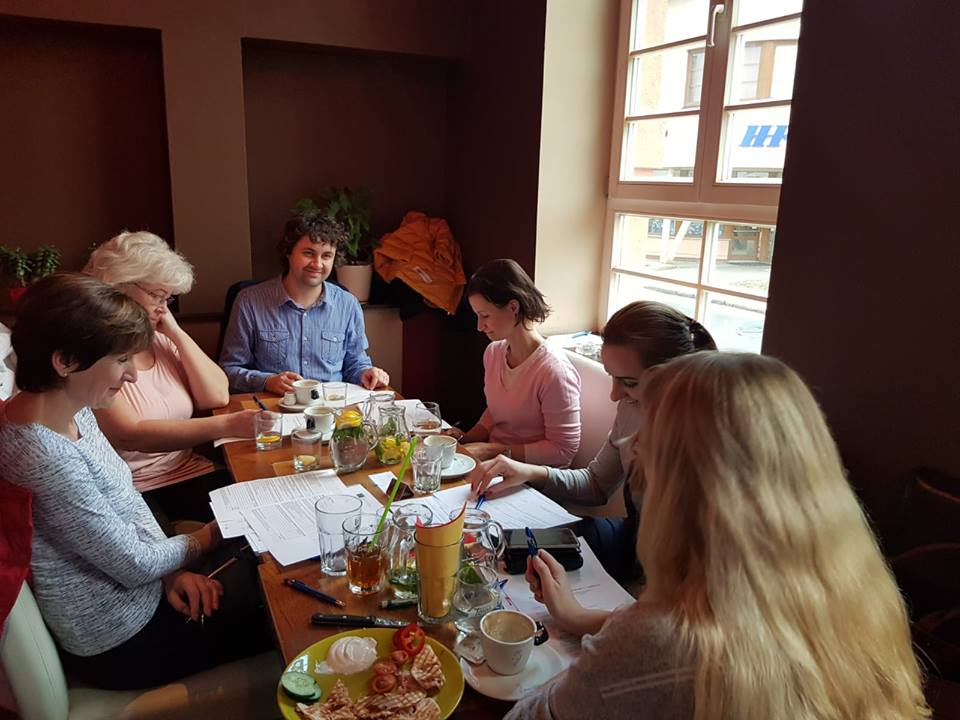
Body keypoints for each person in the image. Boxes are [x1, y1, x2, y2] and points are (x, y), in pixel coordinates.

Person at [506, 352, 931, 720]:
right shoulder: (861, 602)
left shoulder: (658, 642)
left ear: (685, 491)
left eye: (648, 440)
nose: (632, 445)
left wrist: (595, 664)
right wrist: (582, 619)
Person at [0, 274, 269, 689]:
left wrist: (170, 574)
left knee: (265, 563)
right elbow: (134, 563)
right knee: (282, 599)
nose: (131, 375)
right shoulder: (42, 454)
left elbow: (126, 502)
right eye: (121, 359)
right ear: (65, 361)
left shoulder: (73, 407)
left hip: (146, 593)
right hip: (123, 640)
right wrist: (212, 534)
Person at [470, 300, 716, 580]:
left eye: (629, 383)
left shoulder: (710, 442)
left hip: (675, 569)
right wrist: (530, 473)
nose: (614, 395)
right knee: (501, 548)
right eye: (612, 378)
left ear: (676, 380)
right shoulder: (631, 409)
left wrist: (574, 609)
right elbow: (596, 485)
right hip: (632, 539)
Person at [84, 231, 259, 493]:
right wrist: (227, 425)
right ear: (118, 286)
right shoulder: (93, 351)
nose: (163, 308)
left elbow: (216, 396)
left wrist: (176, 333)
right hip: (140, 488)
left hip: (191, 471)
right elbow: (130, 435)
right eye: (157, 295)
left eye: (168, 298)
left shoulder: (160, 338)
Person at [219, 209, 390, 394]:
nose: (317, 264)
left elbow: (355, 364)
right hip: (274, 405)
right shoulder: (249, 302)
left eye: (326, 256)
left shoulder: (348, 305)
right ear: (289, 252)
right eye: (309, 253)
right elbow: (229, 370)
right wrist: (267, 381)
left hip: (331, 406)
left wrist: (366, 373)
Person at [446, 259, 581, 467]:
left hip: (534, 476)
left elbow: (563, 451)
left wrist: (493, 450)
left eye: (485, 316)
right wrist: (468, 438)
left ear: (513, 307)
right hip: (496, 464)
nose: (480, 326)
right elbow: (497, 411)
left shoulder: (554, 371)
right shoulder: (493, 353)